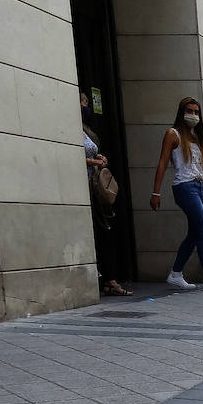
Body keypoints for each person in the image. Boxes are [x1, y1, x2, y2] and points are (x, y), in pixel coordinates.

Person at [148, 96, 203, 291]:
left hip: (197, 187)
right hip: (184, 187)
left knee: (195, 233)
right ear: (181, 112)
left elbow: (198, 169)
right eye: (189, 111)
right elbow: (162, 163)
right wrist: (155, 192)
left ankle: (176, 273)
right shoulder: (173, 134)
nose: (193, 115)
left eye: (196, 112)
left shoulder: (196, 136)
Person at [81, 92, 130, 296]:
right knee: (100, 230)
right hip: (84, 186)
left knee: (105, 230)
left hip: (95, 187)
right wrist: (94, 162)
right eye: (82, 102)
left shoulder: (86, 131)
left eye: (86, 103)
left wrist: (99, 158)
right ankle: (106, 278)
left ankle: (109, 279)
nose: (85, 107)